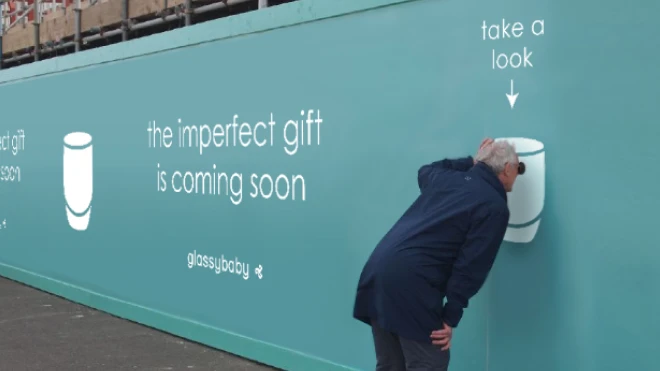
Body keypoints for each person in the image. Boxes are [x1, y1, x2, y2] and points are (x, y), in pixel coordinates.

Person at [353, 138, 524, 370]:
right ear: (507, 169)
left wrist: (471, 161)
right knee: (429, 362)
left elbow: (426, 171)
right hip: (412, 283)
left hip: (379, 271)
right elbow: (471, 266)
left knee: (391, 365)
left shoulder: (448, 179)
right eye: (518, 168)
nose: (518, 172)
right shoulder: (493, 206)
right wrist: (450, 317)